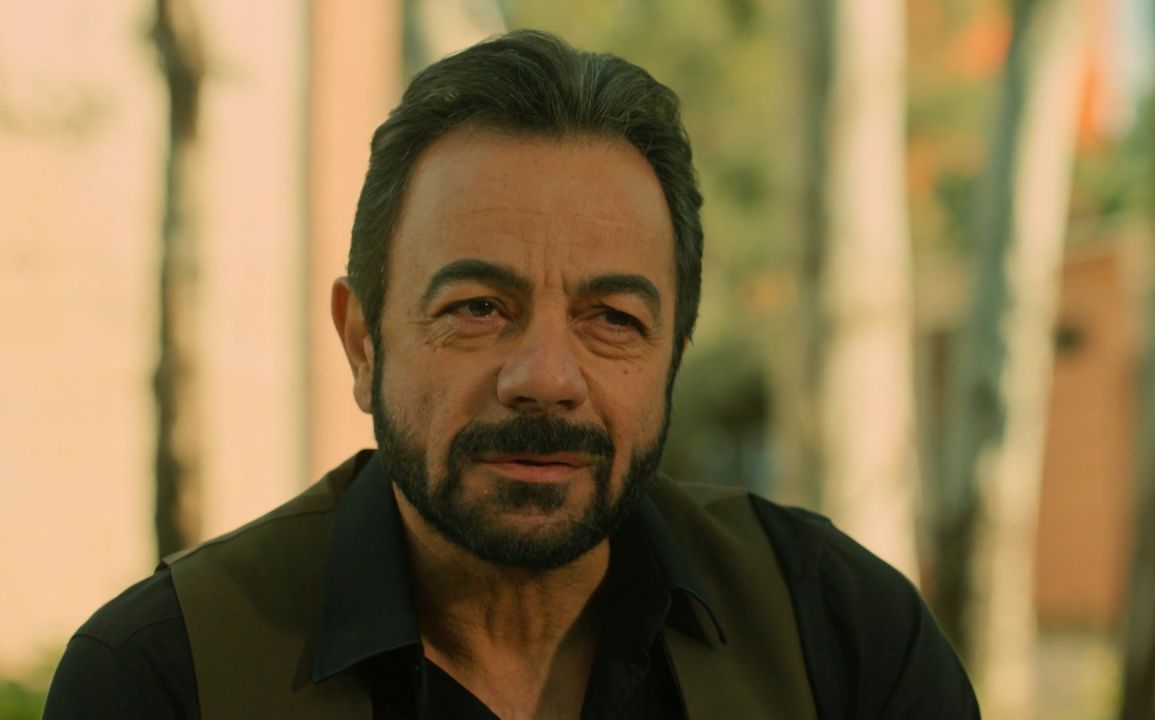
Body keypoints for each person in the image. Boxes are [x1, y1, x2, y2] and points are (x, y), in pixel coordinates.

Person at [45, 30, 978, 719]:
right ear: (363, 343)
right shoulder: (166, 677)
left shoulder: (838, 637)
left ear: (673, 355)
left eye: (613, 320)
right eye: (478, 309)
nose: (546, 378)